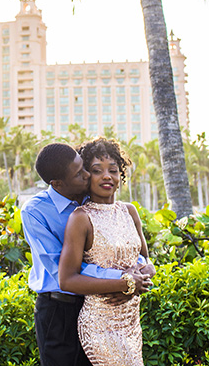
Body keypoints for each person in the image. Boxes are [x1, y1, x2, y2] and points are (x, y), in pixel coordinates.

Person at [21, 142, 152, 366]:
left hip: (102, 305)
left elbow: (133, 252)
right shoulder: (35, 211)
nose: (87, 175)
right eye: (83, 172)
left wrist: (139, 272)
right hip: (59, 308)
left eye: (85, 168)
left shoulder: (94, 200)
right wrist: (122, 281)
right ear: (58, 183)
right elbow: (61, 273)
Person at [58, 138, 153, 366]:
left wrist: (143, 276)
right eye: (97, 171)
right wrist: (124, 285)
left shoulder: (129, 211)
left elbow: (147, 260)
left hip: (131, 321)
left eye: (113, 170)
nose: (107, 176)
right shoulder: (80, 218)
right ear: (86, 176)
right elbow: (67, 280)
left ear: (121, 175)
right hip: (100, 324)